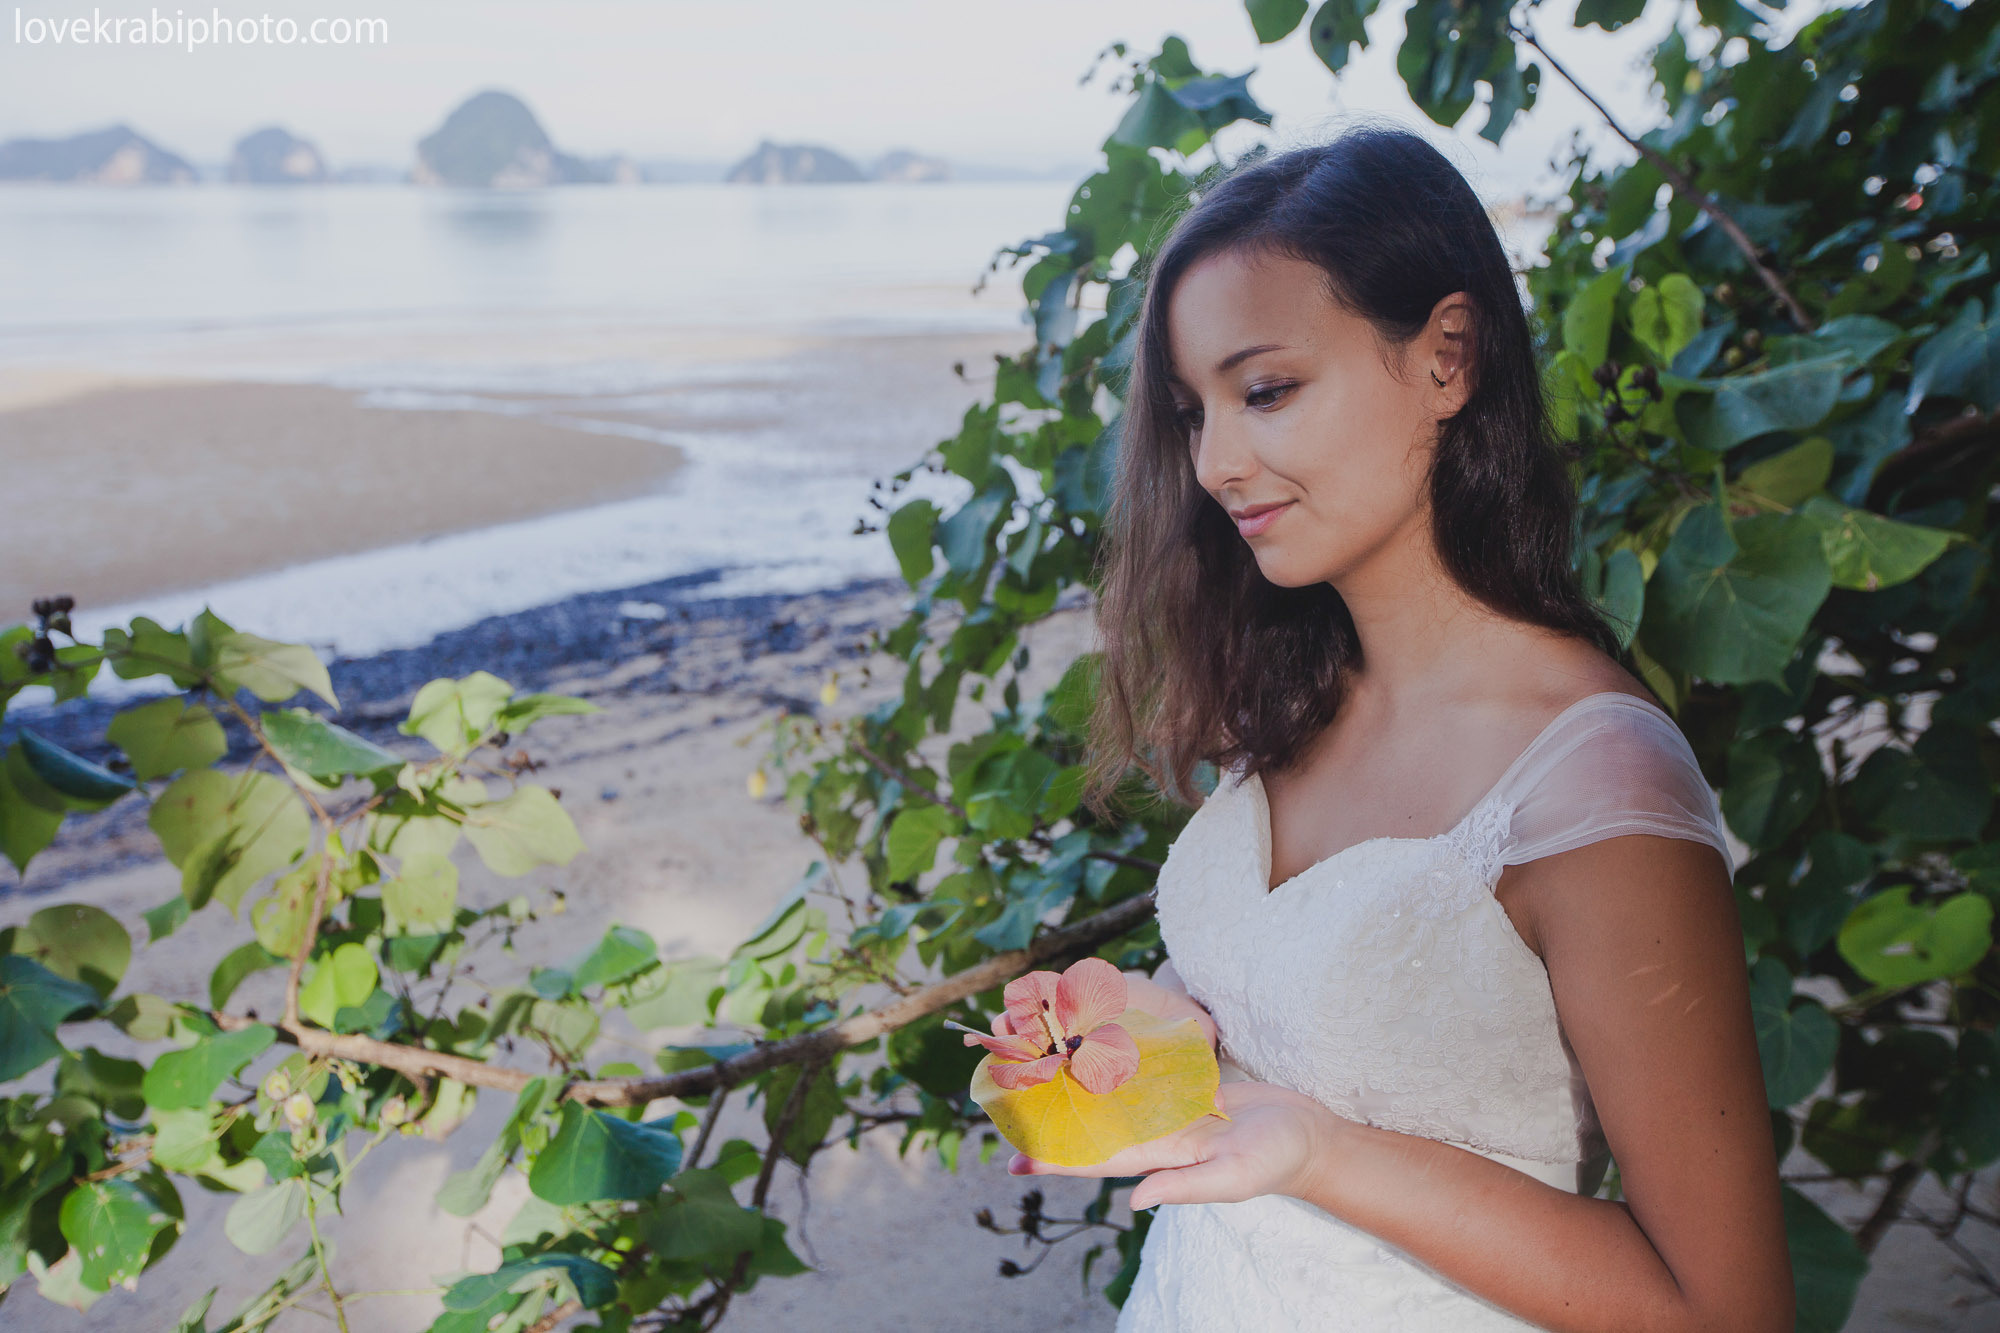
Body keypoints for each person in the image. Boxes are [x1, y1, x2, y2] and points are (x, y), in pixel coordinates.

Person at [1004, 122, 1795, 1331]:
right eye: (1191, 411)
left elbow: (1724, 1309)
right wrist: (1143, 1034)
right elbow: (1300, 1020)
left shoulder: (1593, 780)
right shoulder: (1292, 707)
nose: (1214, 463)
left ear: (1445, 357)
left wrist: (1319, 1152)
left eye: (1264, 390)